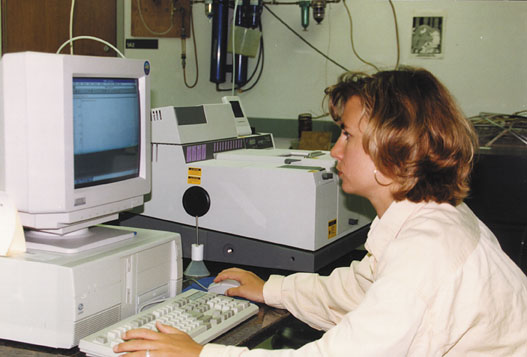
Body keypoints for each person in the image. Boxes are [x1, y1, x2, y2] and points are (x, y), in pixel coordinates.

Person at [114, 67, 527, 356]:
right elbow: (358, 291)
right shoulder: (433, 216)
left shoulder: (427, 251)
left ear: (392, 146)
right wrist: (271, 290)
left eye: (347, 135)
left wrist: (200, 355)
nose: (334, 151)